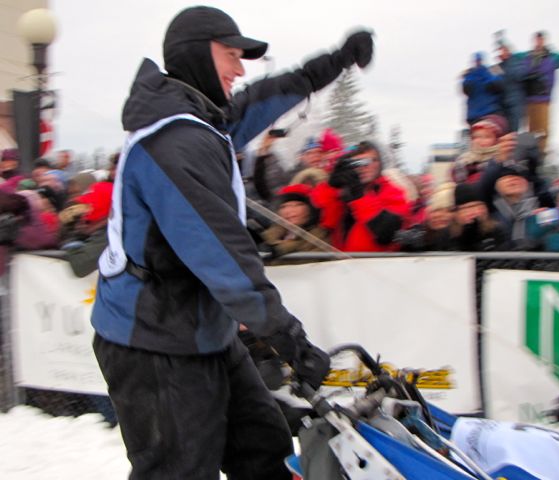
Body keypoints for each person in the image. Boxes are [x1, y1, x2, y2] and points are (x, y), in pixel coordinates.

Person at [90, 6, 374, 479]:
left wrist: (336, 61)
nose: (240, 69)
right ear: (197, 55)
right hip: (154, 339)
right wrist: (290, 340)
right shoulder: (175, 143)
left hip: (202, 329)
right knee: (179, 470)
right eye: (231, 55)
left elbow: (266, 97)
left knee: (263, 448)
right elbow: (223, 256)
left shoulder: (203, 120)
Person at [312, 140, 410, 251]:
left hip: (373, 260)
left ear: (380, 164)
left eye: (369, 161)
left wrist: (360, 197)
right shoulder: (344, 192)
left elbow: (386, 234)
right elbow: (325, 223)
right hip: (342, 259)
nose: (363, 167)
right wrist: (330, 187)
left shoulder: (393, 192)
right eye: (357, 163)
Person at [516, 30, 559, 155]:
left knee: (542, 130)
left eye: (541, 39)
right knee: (529, 130)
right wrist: (501, 42)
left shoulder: (552, 58)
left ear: (544, 41)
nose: (539, 42)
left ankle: (541, 154)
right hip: (528, 99)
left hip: (543, 100)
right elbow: (511, 56)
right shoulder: (526, 57)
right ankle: (530, 155)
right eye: (537, 39)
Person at [259, 184, 329, 259]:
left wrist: (281, 248)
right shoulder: (270, 234)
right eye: (283, 207)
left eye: (297, 205)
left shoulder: (319, 235)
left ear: (310, 209)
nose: (289, 211)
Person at [461, 52, 504, 126]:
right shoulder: (469, 75)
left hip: (490, 113)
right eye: (477, 60)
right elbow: (466, 90)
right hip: (475, 115)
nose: (478, 62)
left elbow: (499, 86)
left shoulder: (492, 70)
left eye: (480, 60)